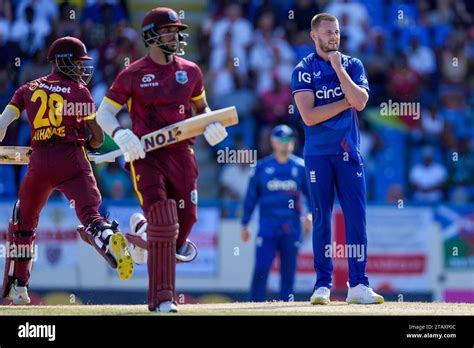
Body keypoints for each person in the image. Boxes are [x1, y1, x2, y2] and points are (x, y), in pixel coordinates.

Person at [95, 7, 228, 313]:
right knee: (163, 225)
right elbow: (103, 113)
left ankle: (142, 230)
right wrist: (120, 133)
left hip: (182, 154)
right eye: (168, 31)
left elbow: (203, 109)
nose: (175, 36)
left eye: (176, 31)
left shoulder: (191, 71)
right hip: (145, 156)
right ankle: (162, 299)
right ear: (151, 37)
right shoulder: (132, 74)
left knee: (185, 226)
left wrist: (211, 124)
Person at [0, 36, 133, 305]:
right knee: (90, 214)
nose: (82, 69)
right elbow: (95, 137)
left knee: (24, 223)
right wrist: (91, 142)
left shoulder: (28, 87)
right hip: (72, 160)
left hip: (39, 162)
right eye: (77, 62)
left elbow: (3, 122)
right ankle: (107, 237)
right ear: (62, 61)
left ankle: (19, 286)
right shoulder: (80, 92)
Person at [291, 13, 384, 305]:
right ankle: (322, 285)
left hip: (349, 153)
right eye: (328, 32)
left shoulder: (352, 65)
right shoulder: (303, 70)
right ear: (314, 36)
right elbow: (309, 116)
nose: (334, 37)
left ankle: (358, 285)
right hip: (318, 154)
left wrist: (339, 70)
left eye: (337, 32)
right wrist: (347, 101)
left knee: (356, 218)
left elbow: (362, 101)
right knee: (321, 219)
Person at [241, 125, 311, 302]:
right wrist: (245, 223)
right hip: (267, 228)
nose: (285, 143)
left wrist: (310, 214)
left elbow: (312, 196)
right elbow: (250, 198)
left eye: (289, 139)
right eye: (281, 139)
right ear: (273, 141)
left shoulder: (301, 167)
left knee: (288, 272)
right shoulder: (262, 168)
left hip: (292, 227)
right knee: (261, 268)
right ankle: (254, 305)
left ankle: (285, 306)